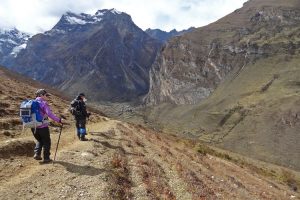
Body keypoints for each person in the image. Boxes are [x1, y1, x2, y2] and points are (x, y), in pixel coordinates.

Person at [32, 89, 63, 163]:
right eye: (46, 95)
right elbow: (49, 114)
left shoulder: (31, 103)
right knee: (46, 142)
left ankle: (37, 154)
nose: (47, 97)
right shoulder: (43, 103)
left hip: (33, 126)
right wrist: (59, 120)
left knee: (39, 140)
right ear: (41, 95)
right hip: (42, 126)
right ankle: (46, 158)